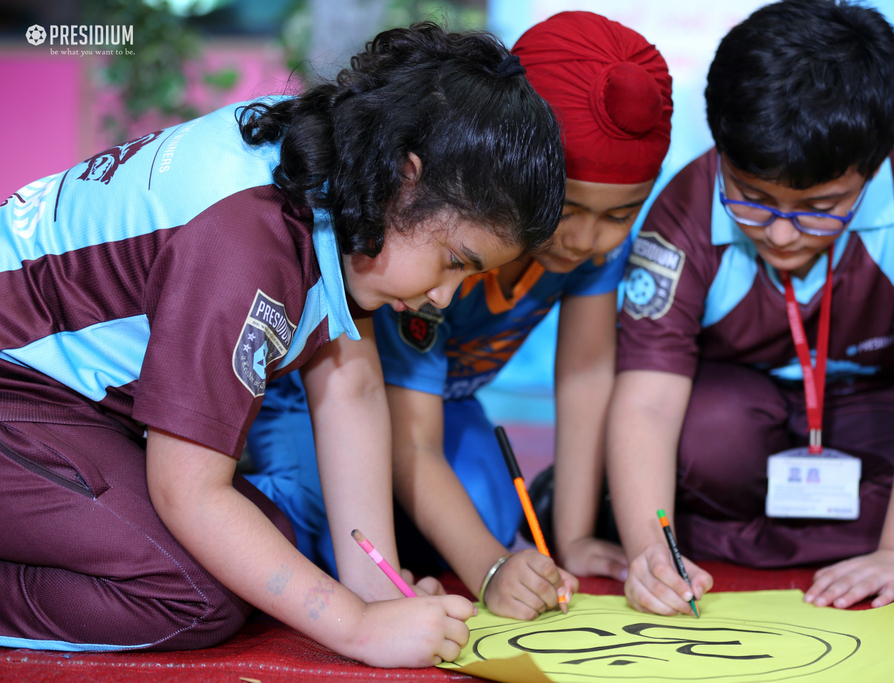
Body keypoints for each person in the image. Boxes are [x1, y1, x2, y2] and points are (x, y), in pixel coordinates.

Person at [0, 23, 565, 668]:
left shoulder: (333, 178)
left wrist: (375, 591)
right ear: (407, 182)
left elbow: (350, 386)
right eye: (455, 262)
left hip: (67, 401)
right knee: (195, 593)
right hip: (20, 384)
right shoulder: (246, 244)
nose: (445, 298)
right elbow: (188, 491)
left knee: (268, 542)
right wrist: (356, 627)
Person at [246, 11, 673, 620]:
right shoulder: (438, 247)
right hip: (324, 401)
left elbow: (584, 377)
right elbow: (403, 434)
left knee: (495, 514)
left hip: (440, 406)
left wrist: (572, 538)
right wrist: (491, 569)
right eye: (566, 210)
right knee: (304, 523)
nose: (583, 239)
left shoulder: (590, 248)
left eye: (619, 215)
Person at [607, 0, 894, 617]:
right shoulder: (685, 207)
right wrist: (648, 554)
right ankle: (679, 531)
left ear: (875, 165)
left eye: (822, 205)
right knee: (703, 437)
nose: (784, 234)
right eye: (752, 197)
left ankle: (723, 536)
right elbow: (649, 398)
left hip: (870, 408)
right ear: (720, 150)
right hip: (737, 411)